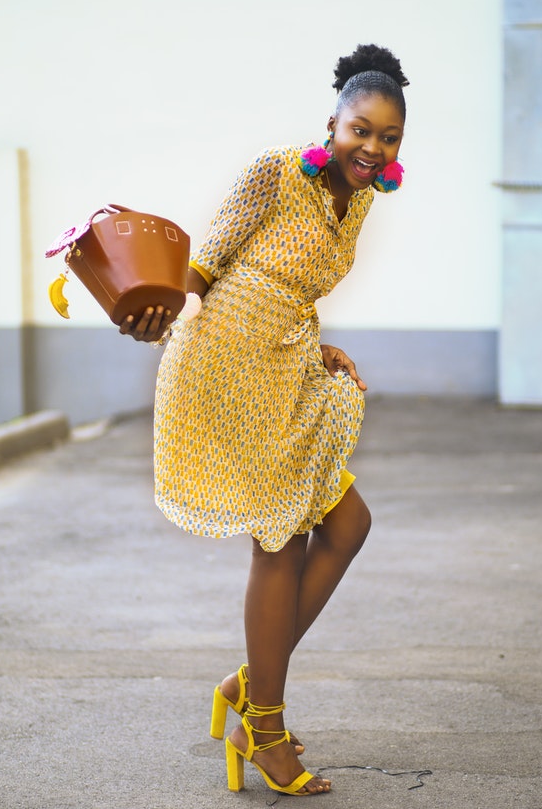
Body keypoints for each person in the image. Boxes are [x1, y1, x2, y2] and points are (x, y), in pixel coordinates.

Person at [120, 43, 409, 796]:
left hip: (284, 366)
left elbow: (291, 284)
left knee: (346, 525)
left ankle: (249, 685)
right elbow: (206, 264)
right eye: (361, 130)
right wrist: (159, 308)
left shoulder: (362, 197)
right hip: (223, 368)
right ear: (332, 124)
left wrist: (319, 345)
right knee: (281, 542)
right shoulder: (278, 172)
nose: (372, 148)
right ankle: (265, 727)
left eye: (388, 138)